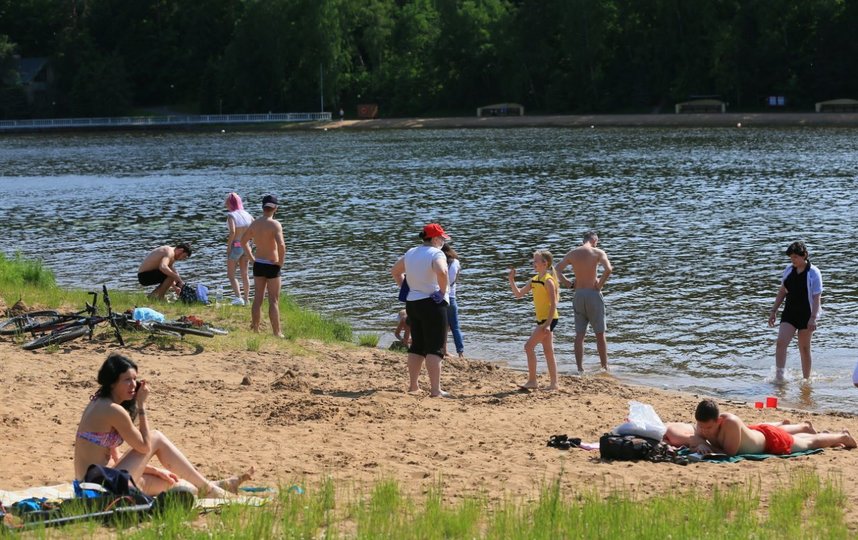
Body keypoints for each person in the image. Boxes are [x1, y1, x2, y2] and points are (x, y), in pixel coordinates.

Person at [74, 353, 253, 497]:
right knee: (156, 437)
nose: (133, 385)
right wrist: (142, 405)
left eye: (135, 379)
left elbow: (115, 455)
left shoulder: (100, 402)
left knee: (171, 483)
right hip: (99, 488)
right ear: (112, 382)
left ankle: (214, 486)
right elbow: (145, 447)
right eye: (127, 380)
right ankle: (213, 490)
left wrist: (152, 469)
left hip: (97, 481)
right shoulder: (113, 410)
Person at [390, 223, 451, 397]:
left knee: (417, 346)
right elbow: (441, 271)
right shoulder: (436, 253)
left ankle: (413, 386)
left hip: (413, 304)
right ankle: (435, 390)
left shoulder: (411, 252)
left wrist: (407, 288)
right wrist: (441, 291)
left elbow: (395, 271)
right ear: (435, 238)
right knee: (435, 348)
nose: (443, 242)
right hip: (432, 303)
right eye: (442, 239)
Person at [692, 399, 855, 456]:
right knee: (802, 441)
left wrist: (704, 446)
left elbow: (729, 453)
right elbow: (695, 435)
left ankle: (842, 437)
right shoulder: (703, 423)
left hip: (770, 441)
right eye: (701, 426)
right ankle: (814, 431)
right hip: (758, 433)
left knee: (809, 444)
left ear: (718, 421)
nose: (704, 431)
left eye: (708, 428)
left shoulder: (731, 423)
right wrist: (700, 442)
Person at [555, 231, 612, 373]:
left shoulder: (572, 253)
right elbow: (608, 269)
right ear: (594, 240)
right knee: (600, 333)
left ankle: (580, 369)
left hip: (578, 295)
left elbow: (556, 270)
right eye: (596, 241)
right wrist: (600, 285)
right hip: (593, 294)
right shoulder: (598, 252)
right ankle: (604, 367)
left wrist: (569, 284)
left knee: (580, 335)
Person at [768, 241, 823, 381]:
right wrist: (773, 311)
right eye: (791, 258)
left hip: (807, 314)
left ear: (804, 255)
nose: (793, 260)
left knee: (804, 349)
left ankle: (806, 380)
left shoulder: (814, 273)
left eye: (795, 257)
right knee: (781, 343)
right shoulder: (788, 270)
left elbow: (817, 298)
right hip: (790, 313)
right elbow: (782, 291)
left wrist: (813, 318)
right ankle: (779, 377)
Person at [508, 250, 560, 391]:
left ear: (545, 263)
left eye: (536, 261)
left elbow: (554, 304)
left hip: (549, 319)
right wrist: (511, 280)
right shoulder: (535, 279)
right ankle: (554, 384)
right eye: (533, 260)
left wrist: (548, 325)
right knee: (548, 351)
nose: (533, 263)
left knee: (528, 347)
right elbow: (519, 294)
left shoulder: (548, 280)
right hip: (543, 319)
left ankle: (532, 381)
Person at [241, 195, 286, 337]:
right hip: (272, 265)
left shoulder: (255, 224)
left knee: (258, 298)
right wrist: (280, 263)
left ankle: (255, 329)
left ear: (262, 207)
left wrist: (252, 258)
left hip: (259, 264)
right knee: (273, 300)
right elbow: (282, 245)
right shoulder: (275, 224)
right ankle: (277, 332)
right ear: (275, 208)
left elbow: (243, 242)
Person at [663, 419, 817, 449]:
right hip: (755, 434)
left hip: (762, 437)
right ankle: (801, 426)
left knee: (805, 443)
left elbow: (696, 440)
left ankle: (800, 427)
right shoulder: (671, 431)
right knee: (756, 430)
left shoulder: (673, 432)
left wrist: (702, 445)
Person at [224, 192, 254, 306]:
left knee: (231, 275)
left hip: (236, 245)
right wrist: (252, 243)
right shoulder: (247, 214)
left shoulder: (231, 215)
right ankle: (247, 300)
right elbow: (254, 228)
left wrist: (228, 247)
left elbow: (232, 232)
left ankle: (238, 298)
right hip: (247, 246)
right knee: (244, 274)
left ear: (229, 204)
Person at [442, 243, 465, 358]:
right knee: (455, 327)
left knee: (443, 326)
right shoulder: (456, 262)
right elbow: (453, 279)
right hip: (451, 297)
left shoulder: (439, 261)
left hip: (440, 296)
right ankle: (460, 353)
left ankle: (444, 350)